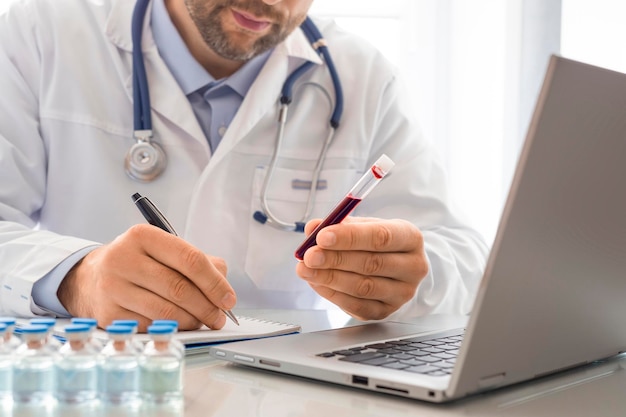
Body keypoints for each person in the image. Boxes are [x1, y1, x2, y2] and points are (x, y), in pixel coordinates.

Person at [0, 0, 489, 332]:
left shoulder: (361, 75)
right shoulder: (38, 34)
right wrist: (75, 277)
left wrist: (408, 276)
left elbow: (463, 257)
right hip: (99, 380)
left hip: (280, 391)